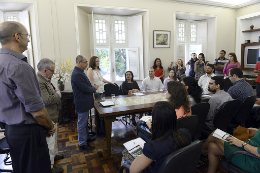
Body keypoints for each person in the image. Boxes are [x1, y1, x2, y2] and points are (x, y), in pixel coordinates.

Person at [0, 21, 55, 173]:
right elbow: (37, 111)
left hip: (11, 130)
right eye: (27, 36)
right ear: (17, 37)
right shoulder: (18, 66)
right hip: (28, 133)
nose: (29, 40)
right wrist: (50, 126)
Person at [122, 101, 192, 173]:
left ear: (156, 122)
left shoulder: (153, 147)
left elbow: (133, 170)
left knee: (124, 161)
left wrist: (138, 157)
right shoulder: (185, 133)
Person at [37, 58, 64, 173]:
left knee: (53, 141)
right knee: (50, 142)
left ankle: (52, 156)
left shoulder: (45, 79)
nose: (53, 73)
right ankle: (50, 166)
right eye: (52, 71)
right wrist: (58, 94)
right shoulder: (40, 81)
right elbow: (47, 100)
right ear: (45, 70)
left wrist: (55, 92)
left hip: (53, 115)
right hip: (49, 117)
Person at [71, 55, 98, 151]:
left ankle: (85, 139)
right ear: (79, 62)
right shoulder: (77, 74)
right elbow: (85, 88)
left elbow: (86, 85)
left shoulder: (80, 72)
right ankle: (82, 144)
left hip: (84, 102)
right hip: (82, 103)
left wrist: (91, 86)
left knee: (84, 122)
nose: (87, 64)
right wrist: (94, 88)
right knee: (82, 123)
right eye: (85, 62)